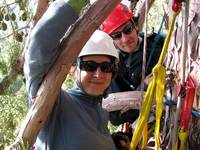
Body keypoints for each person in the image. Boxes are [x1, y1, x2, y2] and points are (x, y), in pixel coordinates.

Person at [24, 0, 120, 149]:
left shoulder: (100, 113)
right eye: (90, 66)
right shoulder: (54, 103)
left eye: (106, 67)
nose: (98, 74)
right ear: (73, 69)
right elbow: (39, 46)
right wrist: (73, 3)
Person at [101, 3, 165, 126]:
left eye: (127, 29)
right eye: (116, 35)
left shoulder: (159, 42)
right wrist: (143, 89)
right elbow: (115, 117)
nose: (125, 39)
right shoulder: (113, 67)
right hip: (150, 127)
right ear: (111, 40)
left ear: (135, 26)